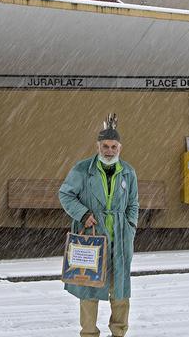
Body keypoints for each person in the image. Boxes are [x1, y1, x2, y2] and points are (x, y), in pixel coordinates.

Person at [59, 113, 139, 337]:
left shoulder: (128, 172)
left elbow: (133, 203)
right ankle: (88, 333)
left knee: (120, 288)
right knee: (89, 287)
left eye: (114, 146)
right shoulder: (83, 170)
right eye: (105, 146)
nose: (109, 151)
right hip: (92, 237)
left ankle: (119, 332)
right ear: (98, 146)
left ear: (120, 148)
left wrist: (131, 226)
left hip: (120, 237)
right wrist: (83, 214)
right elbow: (66, 194)